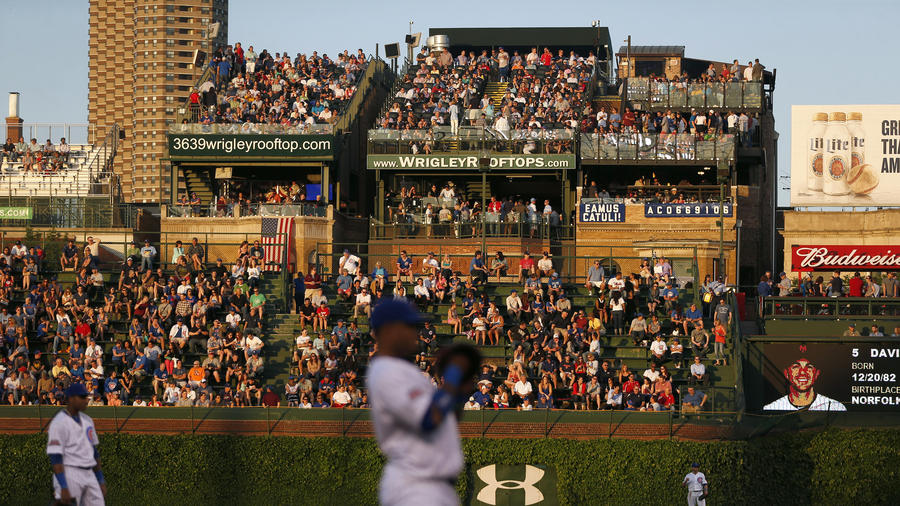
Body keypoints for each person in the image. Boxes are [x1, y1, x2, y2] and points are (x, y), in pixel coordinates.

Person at [366, 299, 480, 506]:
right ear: (390, 331)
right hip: (415, 487)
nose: (415, 332)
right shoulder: (386, 372)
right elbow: (429, 419)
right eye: (409, 326)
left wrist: (460, 392)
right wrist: (454, 374)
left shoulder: (405, 371)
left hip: (433, 487)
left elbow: (445, 418)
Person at [46, 383, 107, 505]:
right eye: (82, 397)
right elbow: (56, 457)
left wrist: (100, 479)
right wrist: (63, 486)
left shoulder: (88, 420)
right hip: (70, 472)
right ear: (71, 399)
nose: (86, 400)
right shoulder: (59, 422)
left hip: (89, 473)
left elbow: (94, 452)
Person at [763, 352, 847, 411]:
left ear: (816, 374)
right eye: (796, 367)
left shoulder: (836, 407)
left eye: (809, 367)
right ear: (787, 374)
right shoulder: (771, 408)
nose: (802, 372)